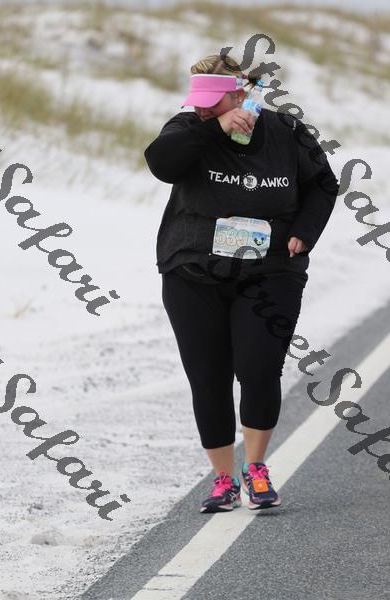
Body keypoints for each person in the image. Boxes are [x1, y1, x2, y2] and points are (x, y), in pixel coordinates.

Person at [144, 54, 339, 514]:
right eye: (198, 102)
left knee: (258, 368)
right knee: (208, 376)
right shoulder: (189, 128)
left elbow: (324, 184)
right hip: (192, 272)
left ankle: (255, 468)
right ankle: (222, 479)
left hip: (269, 272)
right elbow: (161, 163)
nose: (202, 109)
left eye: (212, 102)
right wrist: (215, 127)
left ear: (241, 94)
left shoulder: (286, 131)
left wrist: (305, 231)